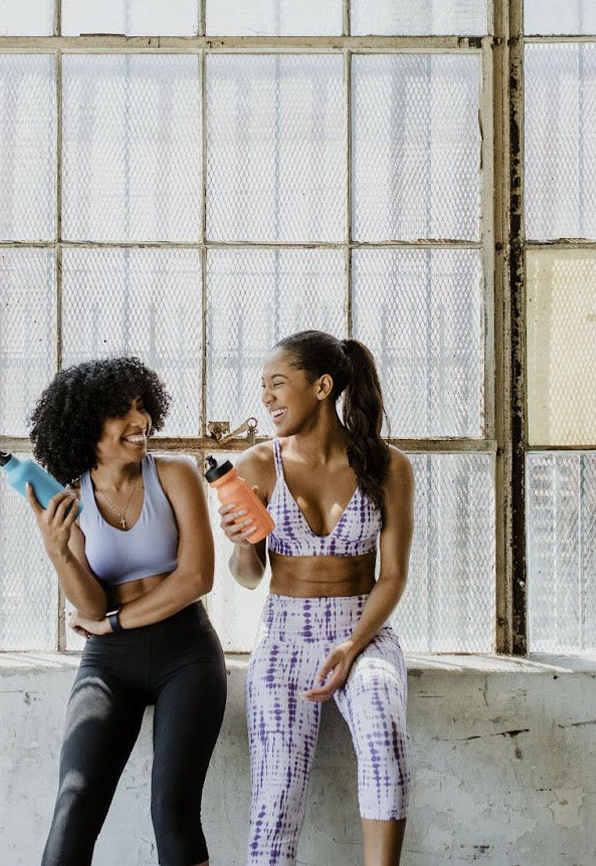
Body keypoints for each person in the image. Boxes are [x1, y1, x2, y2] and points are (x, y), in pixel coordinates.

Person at [219, 331, 415, 866]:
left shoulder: (388, 465)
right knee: (276, 792)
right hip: (284, 638)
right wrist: (241, 544)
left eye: (278, 385)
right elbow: (248, 576)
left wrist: (353, 646)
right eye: (264, 387)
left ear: (322, 386)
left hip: (365, 632)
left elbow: (393, 574)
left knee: (383, 732)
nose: (266, 399)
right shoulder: (256, 465)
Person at [26, 357, 226, 866]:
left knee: (173, 813)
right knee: (73, 811)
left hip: (187, 652)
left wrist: (114, 622)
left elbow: (196, 579)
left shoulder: (176, 476)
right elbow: (89, 602)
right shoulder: (71, 497)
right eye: (122, 412)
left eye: (143, 407)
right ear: (84, 426)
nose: (140, 422)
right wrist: (57, 551)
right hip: (110, 664)